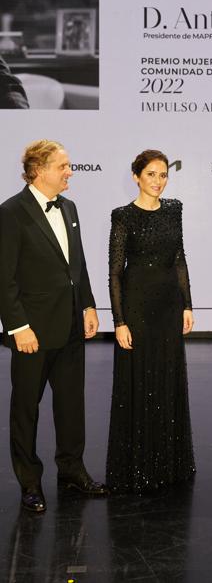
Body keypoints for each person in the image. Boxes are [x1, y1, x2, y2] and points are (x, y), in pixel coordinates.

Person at [0, 140, 108, 514]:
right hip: (32, 331)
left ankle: (72, 470)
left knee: (70, 404)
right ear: (38, 170)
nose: (69, 172)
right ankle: (29, 482)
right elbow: (5, 278)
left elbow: (75, 263)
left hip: (70, 325)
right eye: (63, 166)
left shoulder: (70, 207)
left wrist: (90, 303)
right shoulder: (11, 213)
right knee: (26, 408)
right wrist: (18, 327)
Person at [106, 149, 195, 493]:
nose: (158, 181)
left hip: (169, 308)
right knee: (138, 383)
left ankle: (169, 462)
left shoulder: (174, 210)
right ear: (136, 177)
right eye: (151, 175)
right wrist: (119, 321)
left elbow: (179, 258)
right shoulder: (123, 216)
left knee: (167, 381)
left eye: (163, 175)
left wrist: (188, 304)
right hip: (137, 310)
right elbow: (115, 273)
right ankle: (138, 465)